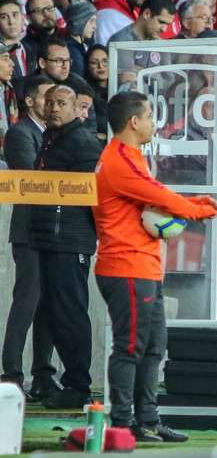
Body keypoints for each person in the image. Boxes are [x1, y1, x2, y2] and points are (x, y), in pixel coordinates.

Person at [93, 91, 217, 441]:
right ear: (134, 122)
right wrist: (195, 210)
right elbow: (160, 197)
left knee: (153, 347)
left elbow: (153, 192)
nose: (153, 123)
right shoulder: (119, 160)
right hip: (126, 267)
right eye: (149, 116)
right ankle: (121, 424)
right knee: (130, 347)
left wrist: (190, 202)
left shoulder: (130, 157)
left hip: (143, 266)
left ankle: (147, 420)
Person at [32, 85, 103, 409]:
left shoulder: (83, 142)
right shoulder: (53, 137)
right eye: (50, 103)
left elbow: (88, 194)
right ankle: (65, 381)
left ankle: (78, 385)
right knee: (54, 312)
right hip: (49, 237)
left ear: (77, 108)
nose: (54, 108)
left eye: (61, 103)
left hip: (70, 239)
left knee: (70, 312)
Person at [0, 74, 57, 401]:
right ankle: (11, 374)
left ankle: (43, 375)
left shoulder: (53, 134)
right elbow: (33, 179)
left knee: (48, 304)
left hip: (53, 232)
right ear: (31, 101)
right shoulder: (20, 134)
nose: (53, 104)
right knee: (26, 302)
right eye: (48, 98)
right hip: (29, 232)